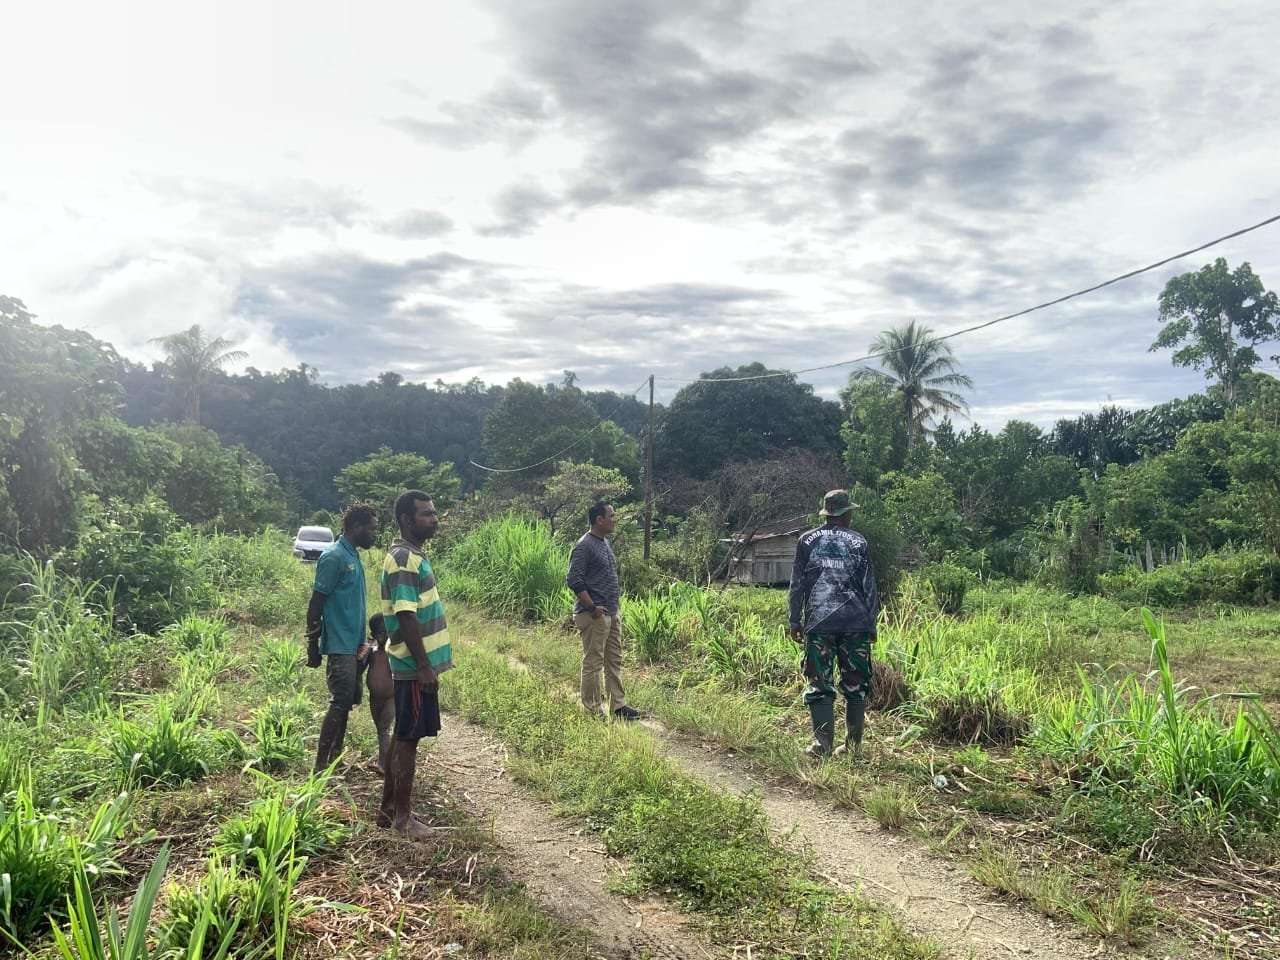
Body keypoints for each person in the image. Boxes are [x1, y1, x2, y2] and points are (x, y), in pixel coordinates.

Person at [378, 490, 452, 838]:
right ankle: (403, 820)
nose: (434, 519)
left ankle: (389, 808)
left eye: (434, 513)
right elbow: (406, 615)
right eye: (426, 514)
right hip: (412, 666)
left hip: (412, 665)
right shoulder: (405, 557)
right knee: (408, 737)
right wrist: (424, 666)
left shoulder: (410, 555)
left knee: (402, 734)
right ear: (407, 520)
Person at [788, 489, 879, 759]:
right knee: (855, 684)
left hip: (819, 623)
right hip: (856, 622)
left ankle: (823, 746)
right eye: (850, 511)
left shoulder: (807, 540)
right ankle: (853, 748)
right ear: (845, 513)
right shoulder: (859, 541)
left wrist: (795, 619)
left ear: (828, 513)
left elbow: (797, 585)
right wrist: (871, 623)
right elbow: (869, 586)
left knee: (820, 685)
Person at [305, 503, 379, 775]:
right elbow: (316, 603)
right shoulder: (334, 556)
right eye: (371, 529)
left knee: (347, 701)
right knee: (340, 701)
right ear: (356, 527)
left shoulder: (353, 556)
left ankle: (335, 758)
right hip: (339, 644)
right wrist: (312, 645)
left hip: (354, 644)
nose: (375, 535)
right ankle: (320, 765)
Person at [567, 501, 640, 721]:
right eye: (612, 515)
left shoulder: (604, 543)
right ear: (600, 519)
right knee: (593, 662)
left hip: (610, 613)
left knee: (613, 661)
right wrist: (592, 607)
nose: (614, 519)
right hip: (593, 615)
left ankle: (618, 706)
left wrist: (613, 610)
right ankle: (591, 709)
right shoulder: (584, 545)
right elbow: (573, 579)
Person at [361, 613, 395, 777]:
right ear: (374, 635)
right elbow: (360, 668)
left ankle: (384, 763)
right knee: (380, 730)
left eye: (387, 631)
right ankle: (385, 760)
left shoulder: (392, 652)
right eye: (381, 633)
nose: (385, 636)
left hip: (391, 698)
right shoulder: (372, 652)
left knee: (384, 727)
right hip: (375, 698)